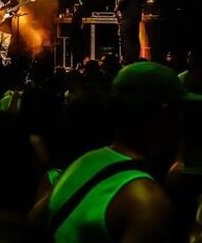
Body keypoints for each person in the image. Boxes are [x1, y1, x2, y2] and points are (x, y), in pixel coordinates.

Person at [30, 62, 200, 241]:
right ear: (164, 114)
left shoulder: (83, 163)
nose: (183, 124)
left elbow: (33, 222)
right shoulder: (147, 202)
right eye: (180, 112)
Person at [114, 0, 145, 65]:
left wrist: (117, 8)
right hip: (136, 17)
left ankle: (129, 61)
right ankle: (136, 60)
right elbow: (143, 0)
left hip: (128, 16)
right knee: (135, 39)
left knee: (126, 38)